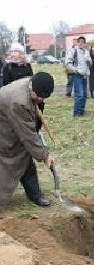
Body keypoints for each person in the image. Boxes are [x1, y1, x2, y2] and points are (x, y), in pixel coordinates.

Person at [0, 72, 55, 212]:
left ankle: (35, 195)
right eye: (39, 96)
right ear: (31, 88)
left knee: (25, 159)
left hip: (10, 121)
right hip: (4, 128)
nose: (40, 99)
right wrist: (44, 155)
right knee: (9, 160)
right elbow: (28, 134)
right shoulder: (19, 101)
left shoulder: (32, 84)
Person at [65, 36, 92, 117]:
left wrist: (89, 61)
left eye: (83, 42)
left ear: (85, 43)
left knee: (84, 94)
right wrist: (75, 70)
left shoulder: (86, 52)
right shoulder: (73, 51)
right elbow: (67, 63)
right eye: (79, 41)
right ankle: (76, 113)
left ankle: (82, 111)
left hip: (85, 75)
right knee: (79, 94)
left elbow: (90, 64)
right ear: (77, 43)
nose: (81, 43)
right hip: (77, 75)